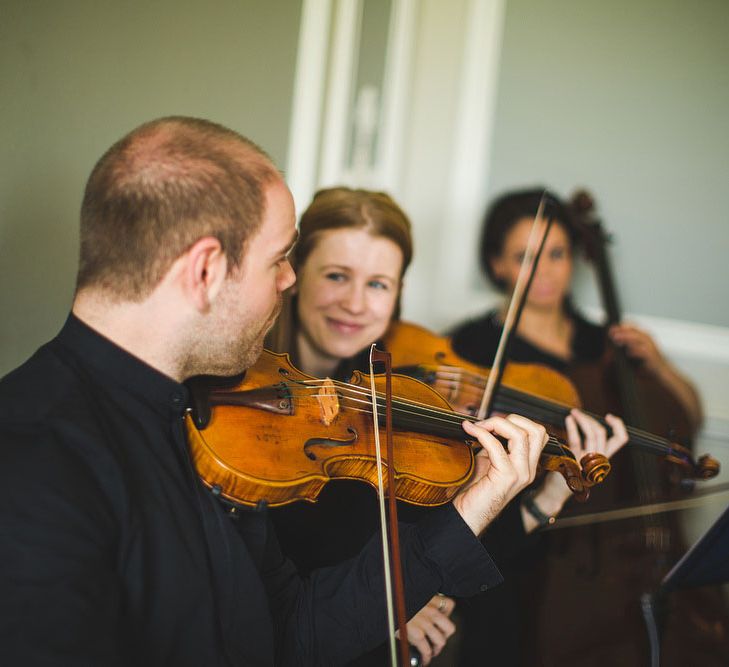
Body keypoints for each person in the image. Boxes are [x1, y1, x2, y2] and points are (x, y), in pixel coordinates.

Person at [0, 117, 550, 666]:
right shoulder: (31, 460)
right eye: (280, 258)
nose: (290, 281)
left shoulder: (221, 416)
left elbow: (291, 630)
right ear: (207, 270)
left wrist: (467, 510)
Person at [266, 186, 628, 665]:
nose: (355, 303)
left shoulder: (393, 397)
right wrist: (384, 606)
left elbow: (437, 546)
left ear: (397, 296)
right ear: (293, 274)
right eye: (336, 275)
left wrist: (547, 499)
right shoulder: (251, 392)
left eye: (378, 284)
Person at [448, 187, 713, 666]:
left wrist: (658, 365)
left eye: (557, 254)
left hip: (615, 539)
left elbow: (686, 418)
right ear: (497, 265)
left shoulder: (604, 341)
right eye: (524, 256)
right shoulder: (474, 345)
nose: (544, 271)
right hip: (531, 543)